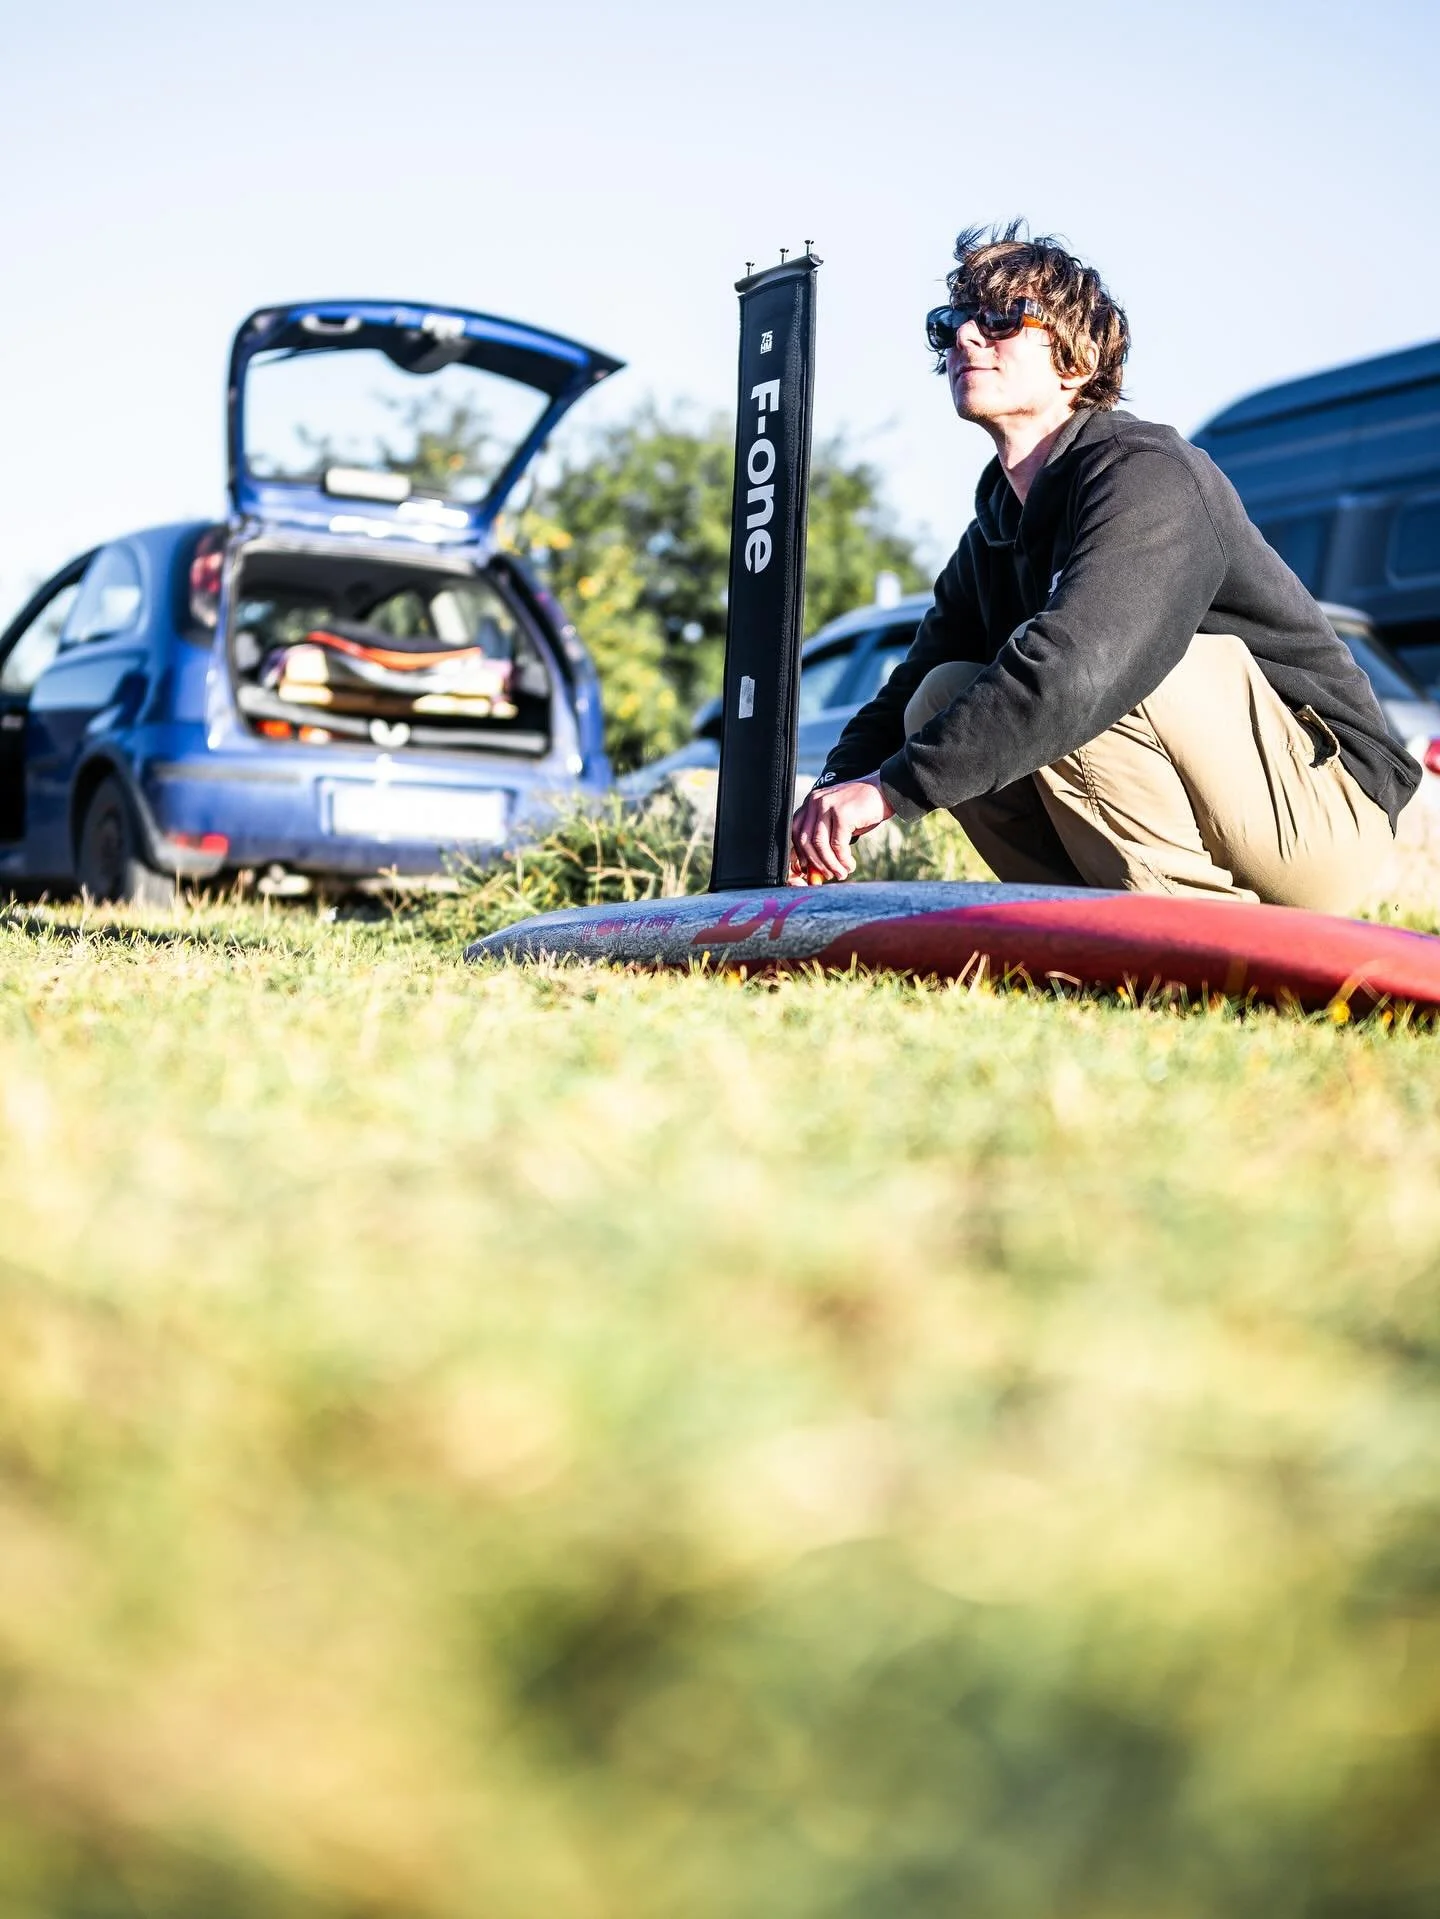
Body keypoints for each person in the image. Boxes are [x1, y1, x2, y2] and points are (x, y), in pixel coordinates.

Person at [789, 223, 1420, 909]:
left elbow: (1080, 667)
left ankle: (1197, 943)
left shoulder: (1150, 474)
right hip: (1230, 808)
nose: (968, 337)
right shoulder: (998, 527)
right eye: (952, 323)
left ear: (1077, 359)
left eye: (1001, 320)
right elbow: (909, 681)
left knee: (1087, 673)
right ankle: (1097, 926)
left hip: (1328, 818)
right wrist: (829, 797)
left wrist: (890, 792)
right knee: (939, 693)